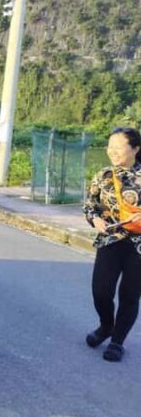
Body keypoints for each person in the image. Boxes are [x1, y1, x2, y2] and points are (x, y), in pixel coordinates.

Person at [82, 126, 141, 362]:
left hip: (138, 246)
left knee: (129, 295)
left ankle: (117, 342)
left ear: (136, 148)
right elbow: (90, 205)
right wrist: (94, 219)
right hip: (110, 240)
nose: (112, 152)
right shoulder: (104, 175)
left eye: (118, 147)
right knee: (101, 291)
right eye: (110, 147)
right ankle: (106, 326)